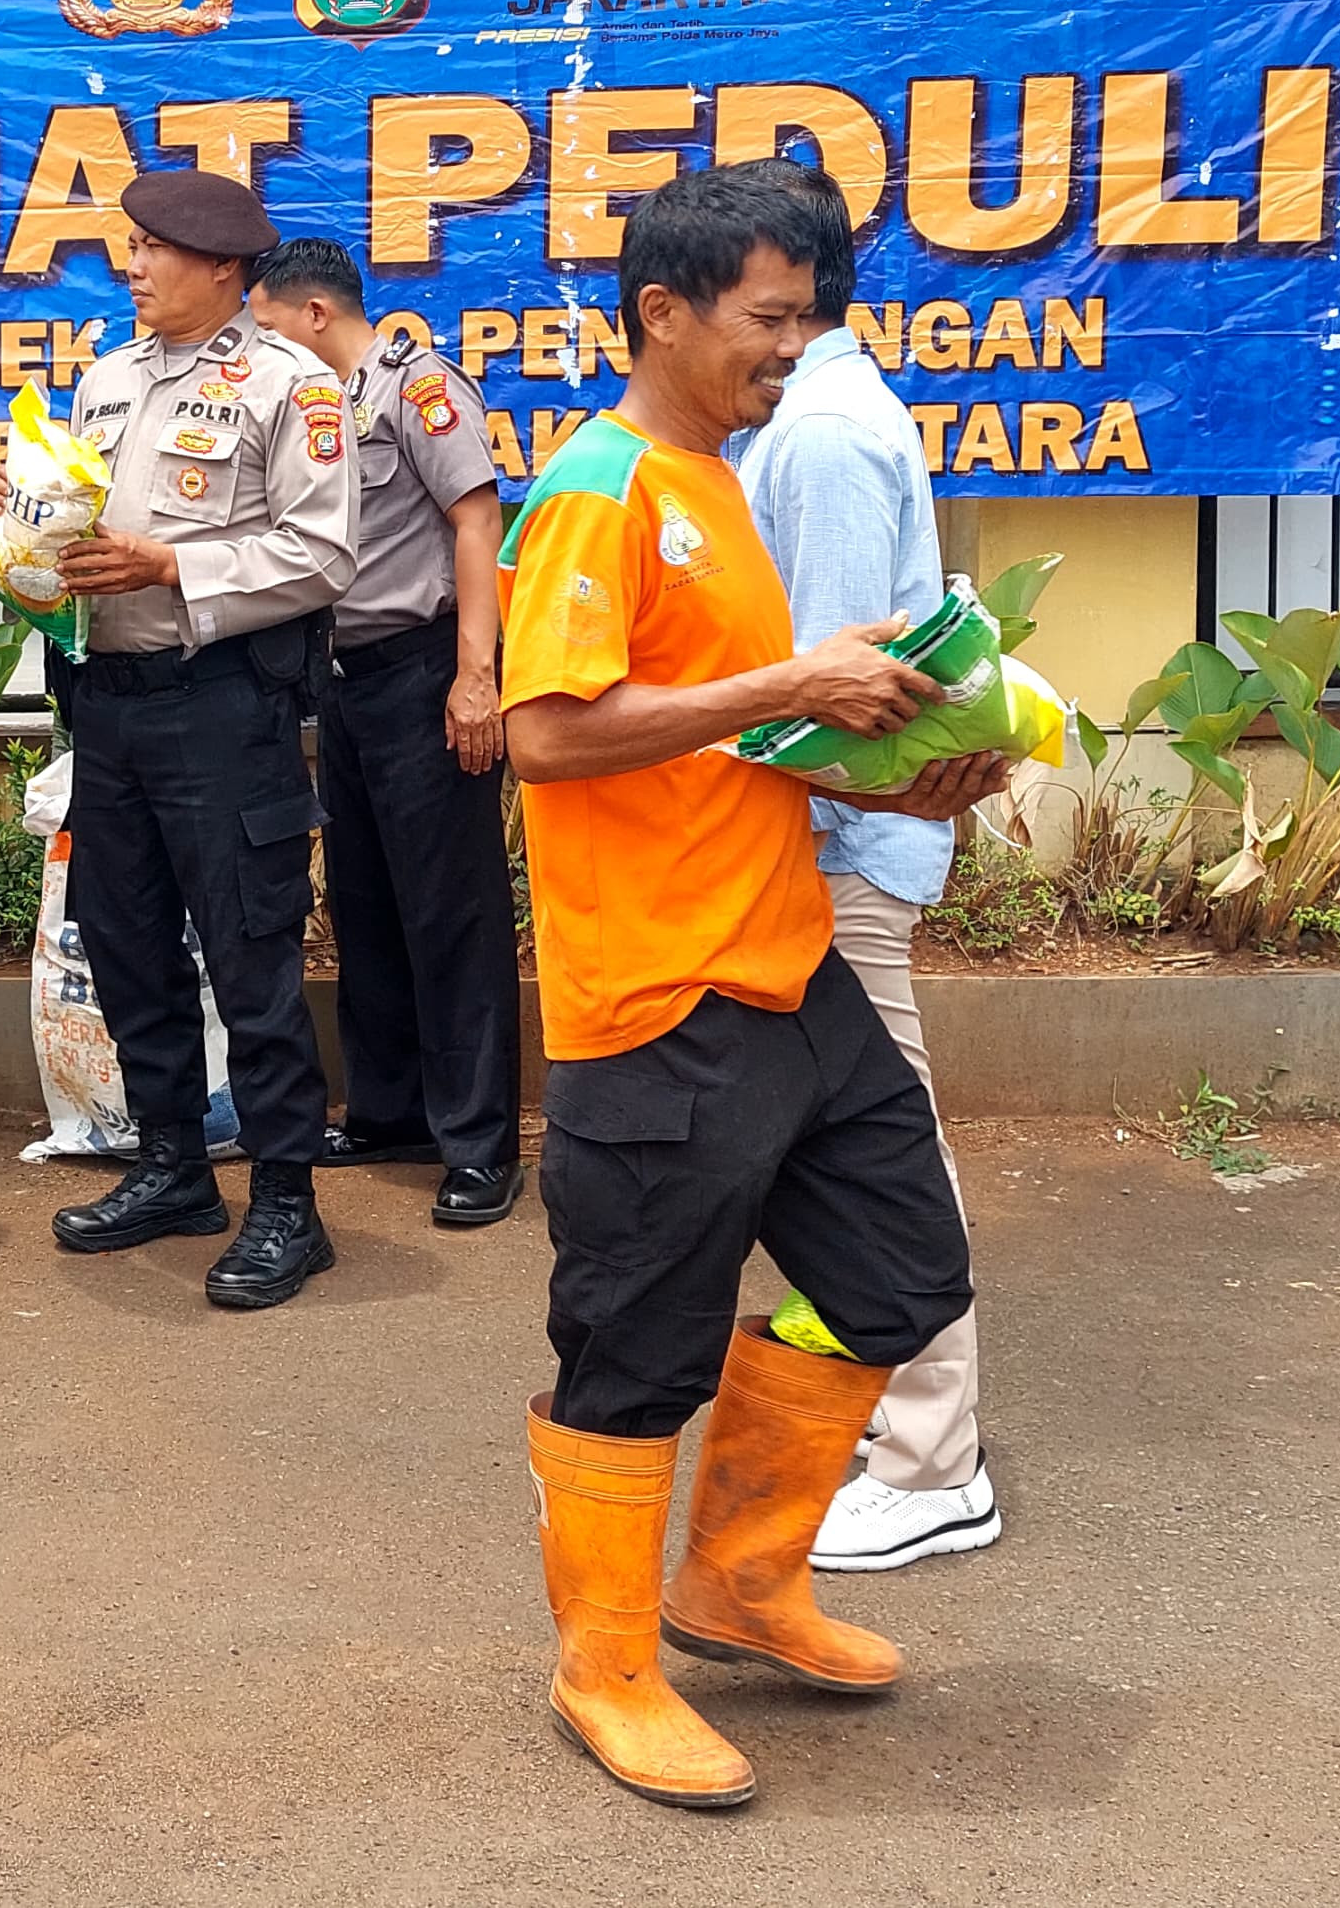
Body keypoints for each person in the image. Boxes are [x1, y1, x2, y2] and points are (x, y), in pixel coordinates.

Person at [493, 163, 1001, 1809]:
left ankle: (737, 1578)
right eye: (770, 318)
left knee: (902, 1272)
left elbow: (731, 739)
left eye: (807, 318)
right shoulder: (600, 489)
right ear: (664, 309)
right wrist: (795, 676)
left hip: (786, 966)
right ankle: (605, 1663)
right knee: (635, 1349)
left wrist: (899, 769)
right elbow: (546, 733)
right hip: (658, 997)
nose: (794, 347)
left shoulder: (714, 476)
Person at [727, 164, 1002, 1573]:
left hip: (837, 840)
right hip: (825, 838)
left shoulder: (822, 436)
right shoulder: (809, 420)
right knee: (840, 1145)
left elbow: (832, 689)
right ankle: (885, 1411)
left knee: (889, 1147)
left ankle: (932, 1459)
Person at [44, 170, 362, 1307]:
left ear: (223, 266)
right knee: (125, 943)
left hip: (222, 707)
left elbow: (324, 553)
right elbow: (86, 531)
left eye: (154, 249)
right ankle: (173, 1165)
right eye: (130, 247)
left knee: (248, 955)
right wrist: (30, 535)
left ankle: (285, 1200)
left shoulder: (289, 384)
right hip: (110, 704)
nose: (131, 266)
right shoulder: (105, 377)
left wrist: (171, 565)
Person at [247, 236, 525, 1230]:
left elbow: (476, 520)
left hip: (424, 670)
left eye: (270, 329)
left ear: (315, 313)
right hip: (345, 680)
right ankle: (389, 1112)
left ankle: (480, 1144)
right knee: (363, 905)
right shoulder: (314, 411)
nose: (260, 350)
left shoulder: (417, 386)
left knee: (451, 912)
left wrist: (476, 677)